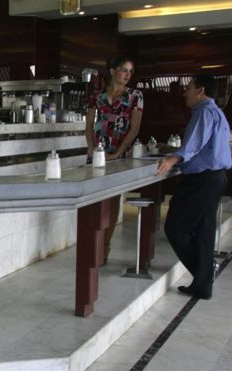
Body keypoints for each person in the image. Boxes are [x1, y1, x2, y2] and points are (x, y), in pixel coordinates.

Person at [156, 75, 231, 300]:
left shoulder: (204, 112)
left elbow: (196, 143)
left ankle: (204, 274)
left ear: (200, 91)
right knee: (203, 234)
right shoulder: (215, 112)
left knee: (176, 228)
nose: (184, 92)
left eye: (188, 88)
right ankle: (203, 285)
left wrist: (173, 159)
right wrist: (172, 149)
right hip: (214, 177)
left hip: (202, 180)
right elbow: (203, 145)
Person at [85, 55, 144, 265]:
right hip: (98, 154)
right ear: (112, 71)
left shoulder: (135, 96)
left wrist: (119, 153)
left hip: (120, 154)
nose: (127, 74)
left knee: (112, 201)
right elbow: (89, 125)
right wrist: (92, 150)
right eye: (123, 70)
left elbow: (134, 128)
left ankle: (105, 247)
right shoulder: (97, 95)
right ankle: (92, 244)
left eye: (130, 71)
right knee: (92, 200)